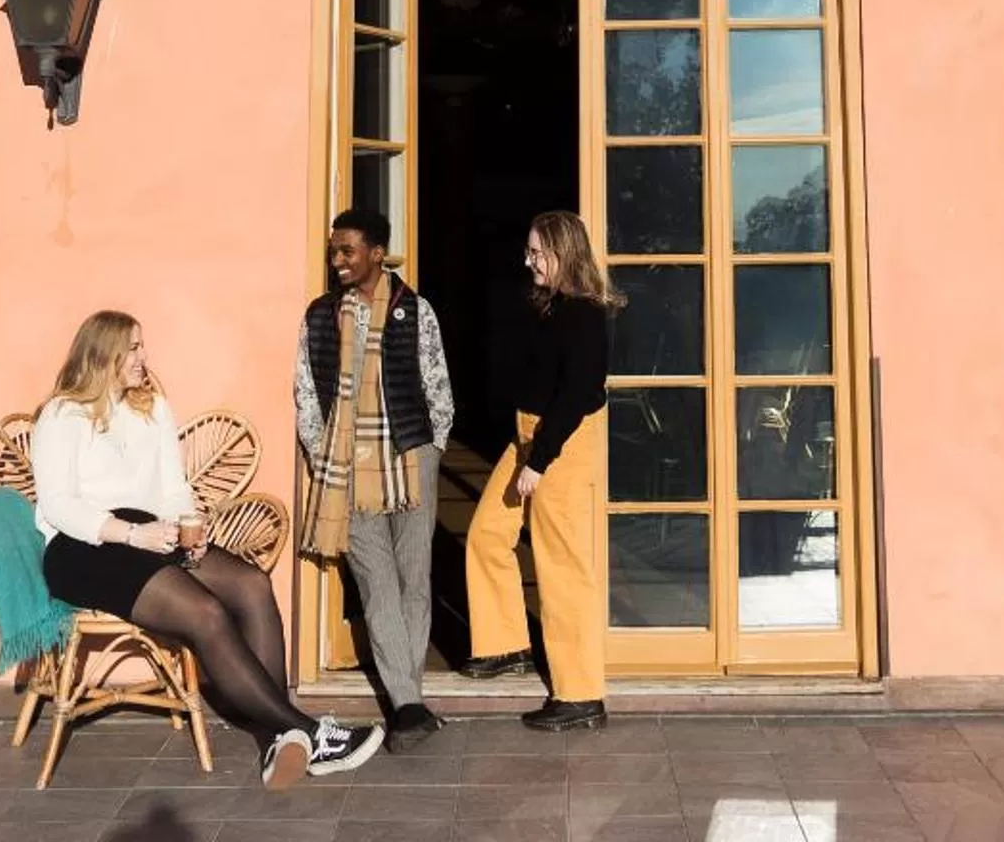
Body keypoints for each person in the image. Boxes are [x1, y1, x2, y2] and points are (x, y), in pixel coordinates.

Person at [31, 311, 382, 790]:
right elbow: (59, 505)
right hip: (82, 546)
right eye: (133, 348)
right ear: (103, 355)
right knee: (207, 613)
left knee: (251, 584)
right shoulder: (61, 414)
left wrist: (186, 528)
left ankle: (282, 737)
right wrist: (132, 535)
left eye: (142, 346)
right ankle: (306, 731)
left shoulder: (150, 406)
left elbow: (173, 488)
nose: (143, 357)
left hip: (148, 532)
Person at [294, 208, 456, 752]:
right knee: (376, 583)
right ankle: (409, 705)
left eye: (347, 251)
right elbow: (306, 395)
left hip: (411, 459)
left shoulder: (416, 310)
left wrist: (434, 447)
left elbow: (437, 381)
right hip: (347, 468)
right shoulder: (319, 316)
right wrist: (322, 456)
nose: (337, 261)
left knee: (415, 578)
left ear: (377, 254)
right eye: (333, 252)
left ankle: (407, 698)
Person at [458, 211, 620, 731]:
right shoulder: (552, 307)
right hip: (527, 434)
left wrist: (541, 461)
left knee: (563, 566)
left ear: (563, 253)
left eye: (537, 253)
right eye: (528, 252)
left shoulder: (586, 315)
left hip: (562, 445)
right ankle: (506, 643)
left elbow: (575, 397)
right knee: (486, 534)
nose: (528, 261)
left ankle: (581, 695)